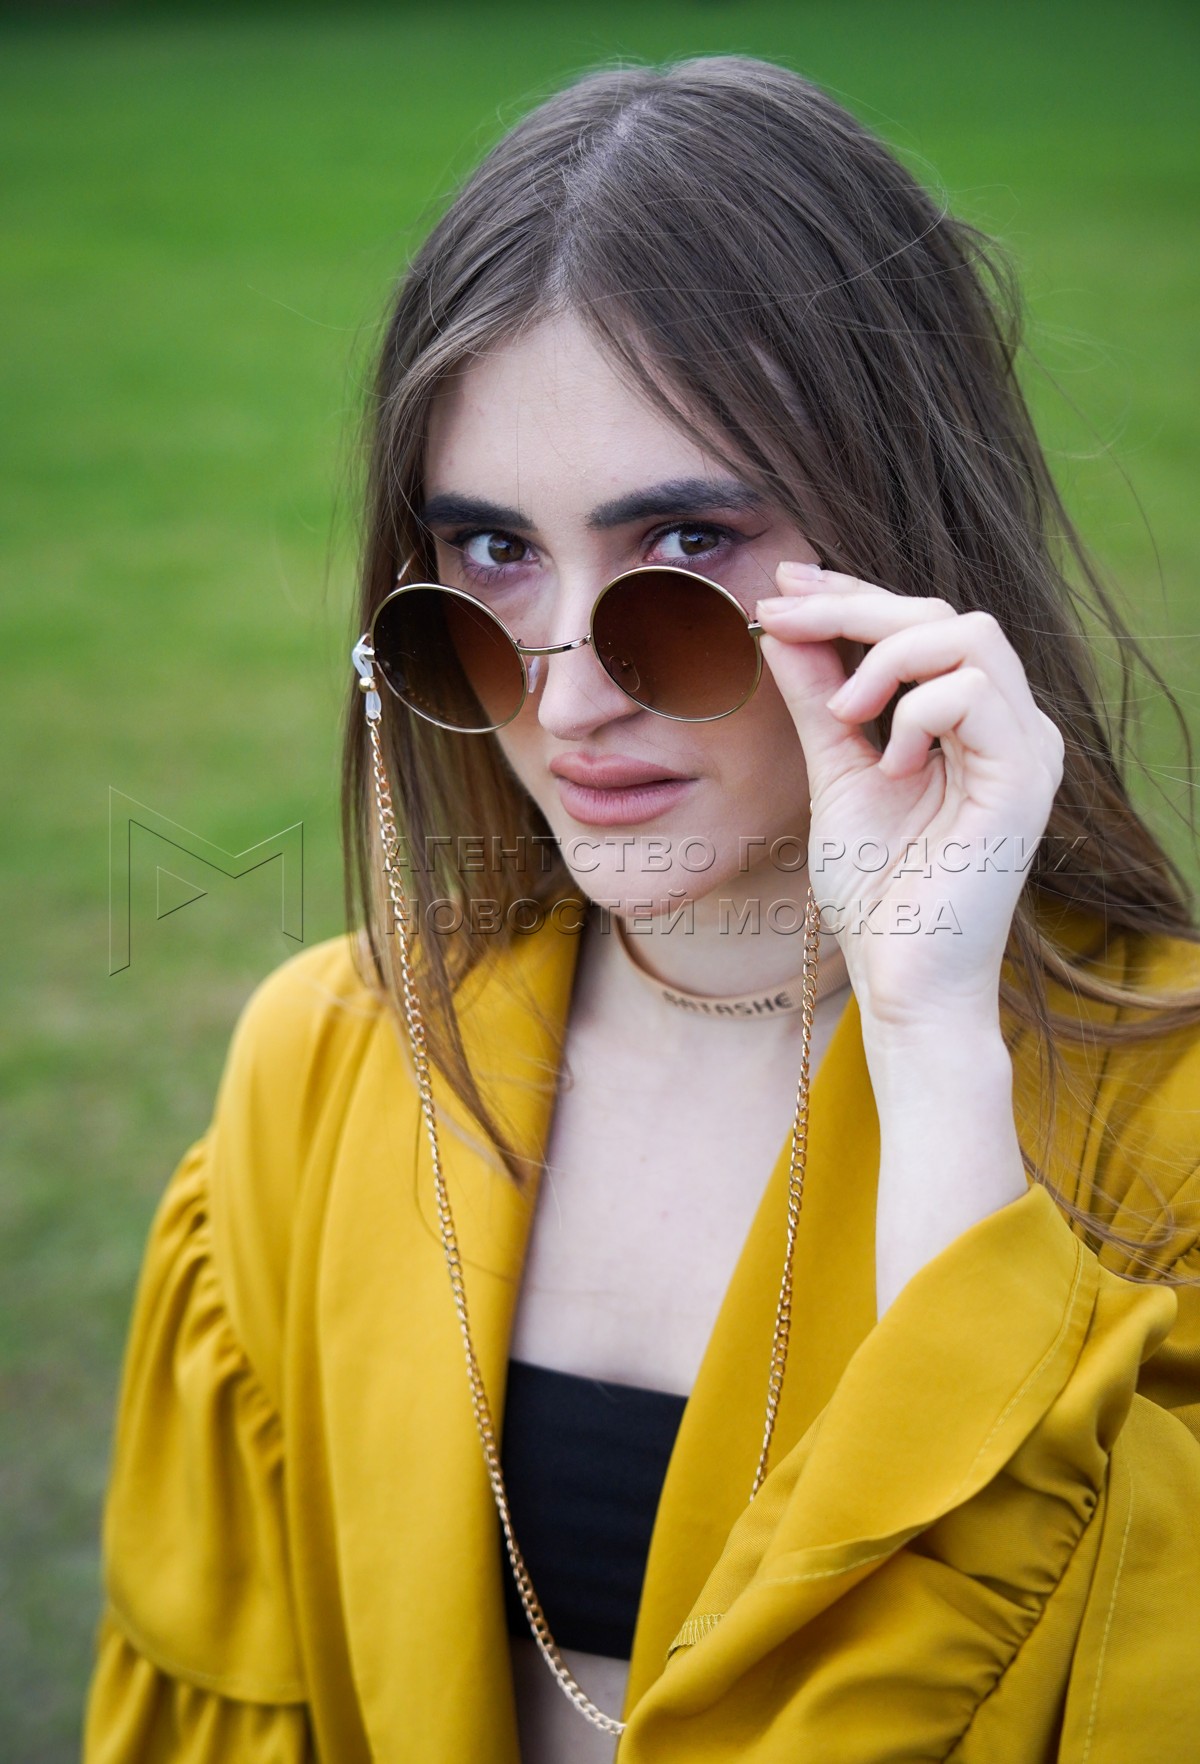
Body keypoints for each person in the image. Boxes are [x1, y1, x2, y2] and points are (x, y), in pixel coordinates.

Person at [83, 53, 1200, 1764]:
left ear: (902, 539)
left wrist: (931, 1043)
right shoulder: (325, 1070)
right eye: (492, 553)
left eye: (682, 544)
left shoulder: (1167, 1127)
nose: (568, 690)